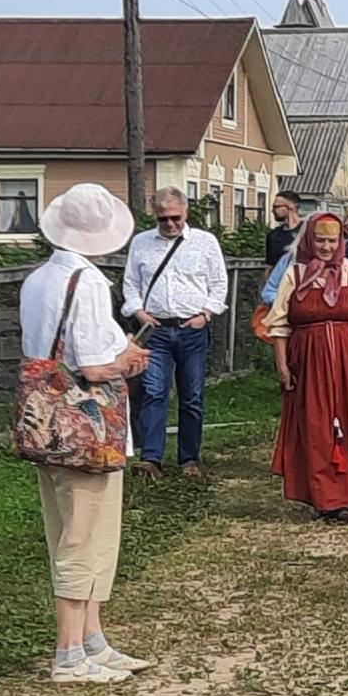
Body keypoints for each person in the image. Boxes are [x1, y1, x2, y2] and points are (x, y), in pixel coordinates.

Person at [21, 183, 153, 683]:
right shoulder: (89, 280)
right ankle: (70, 652)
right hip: (86, 422)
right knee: (88, 536)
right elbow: (95, 365)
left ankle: (92, 638)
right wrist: (127, 358)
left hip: (45, 416)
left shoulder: (38, 279)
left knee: (67, 527)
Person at [264, 214, 348, 522]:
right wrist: (283, 367)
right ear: (310, 241)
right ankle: (324, 497)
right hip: (309, 362)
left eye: (333, 241)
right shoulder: (295, 276)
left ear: (342, 242)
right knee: (317, 425)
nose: (326, 247)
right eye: (321, 241)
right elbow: (279, 326)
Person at [122, 187, 230, 479]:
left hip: (191, 329)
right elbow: (130, 283)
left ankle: (189, 458)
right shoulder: (141, 244)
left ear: (187, 214)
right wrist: (138, 311)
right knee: (154, 393)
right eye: (163, 219)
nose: (170, 225)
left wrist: (206, 314)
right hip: (156, 329)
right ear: (155, 217)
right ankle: (152, 458)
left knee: (192, 395)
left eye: (175, 218)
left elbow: (219, 283)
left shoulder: (205, 243)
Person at [267, 190, 302, 267]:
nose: (272, 210)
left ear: (291, 207)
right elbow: (270, 267)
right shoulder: (273, 235)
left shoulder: (307, 230)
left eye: (276, 207)